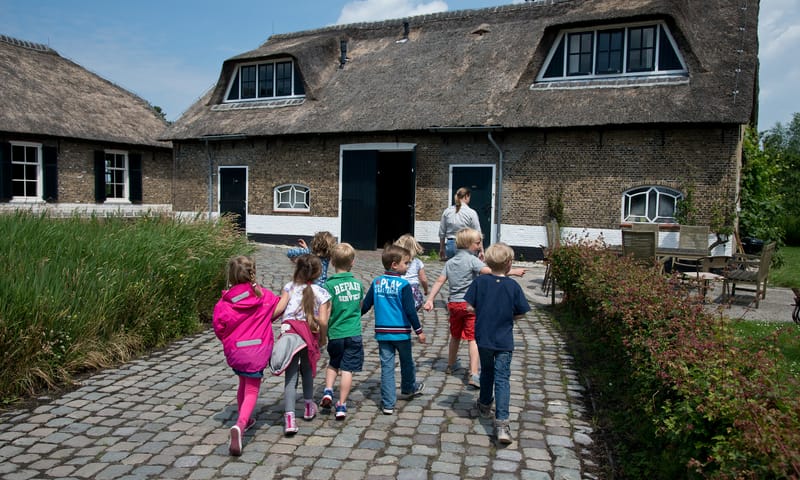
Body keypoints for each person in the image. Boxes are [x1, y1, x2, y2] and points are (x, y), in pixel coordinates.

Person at [424, 228, 525, 389]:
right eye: (477, 243)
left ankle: (450, 365)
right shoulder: (472, 261)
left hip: (454, 306)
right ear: (469, 245)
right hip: (469, 306)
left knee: (455, 336)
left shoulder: (450, 262)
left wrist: (430, 299)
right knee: (473, 339)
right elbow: (490, 272)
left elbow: (439, 281)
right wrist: (512, 272)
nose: (479, 246)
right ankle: (473, 373)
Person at [212, 255, 282, 456]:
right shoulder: (263, 297)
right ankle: (240, 425)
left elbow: (219, 328)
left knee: (242, 382)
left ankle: (246, 418)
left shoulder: (224, 303)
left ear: (231, 277)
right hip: (257, 351)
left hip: (237, 352)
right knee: (252, 390)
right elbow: (277, 309)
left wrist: (229, 341)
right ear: (253, 273)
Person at [464, 242, 531, 445]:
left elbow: (468, 307)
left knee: (487, 372)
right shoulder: (513, 286)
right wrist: (508, 318)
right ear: (509, 264)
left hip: (483, 338)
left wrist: (482, 312)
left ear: (486, 261)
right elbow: (521, 311)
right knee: (502, 379)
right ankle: (502, 423)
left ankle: (484, 405)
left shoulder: (479, 283)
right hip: (503, 340)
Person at [361, 244, 427, 415]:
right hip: (402, 333)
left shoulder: (376, 282)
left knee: (387, 367)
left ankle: (388, 403)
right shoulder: (403, 285)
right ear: (394, 265)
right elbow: (410, 311)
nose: (408, 266)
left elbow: (365, 305)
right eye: (406, 263)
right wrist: (419, 331)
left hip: (382, 333)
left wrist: (352, 318)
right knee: (406, 362)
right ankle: (408, 388)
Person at [274, 254, 331, 435]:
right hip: (308, 335)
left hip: (290, 333)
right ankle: (308, 407)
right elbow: (323, 321)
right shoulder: (321, 293)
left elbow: (279, 309)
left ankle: (289, 418)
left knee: (290, 377)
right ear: (317, 273)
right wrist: (323, 337)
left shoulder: (289, 288)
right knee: (307, 370)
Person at [320, 243, 365, 420]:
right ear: (352, 262)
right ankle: (342, 405)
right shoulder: (358, 284)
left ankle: (328, 390)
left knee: (333, 363)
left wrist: (323, 333)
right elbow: (359, 307)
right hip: (353, 333)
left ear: (331, 262)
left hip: (336, 333)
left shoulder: (329, 286)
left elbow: (327, 311)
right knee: (347, 369)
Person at [438, 187, 483, 260]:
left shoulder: (447, 211)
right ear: (466, 196)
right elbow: (478, 233)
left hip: (451, 245)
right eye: (469, 197)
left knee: (453, 269)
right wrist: (481, 250)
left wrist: (441, 248)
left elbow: (442, 232)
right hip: (466, 245)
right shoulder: (471, 212)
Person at [393, 234, 429, 310]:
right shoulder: (418, 262)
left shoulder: (397, 262)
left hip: (399, 288)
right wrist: (426, 290)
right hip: (413, 290)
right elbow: (423, 279)